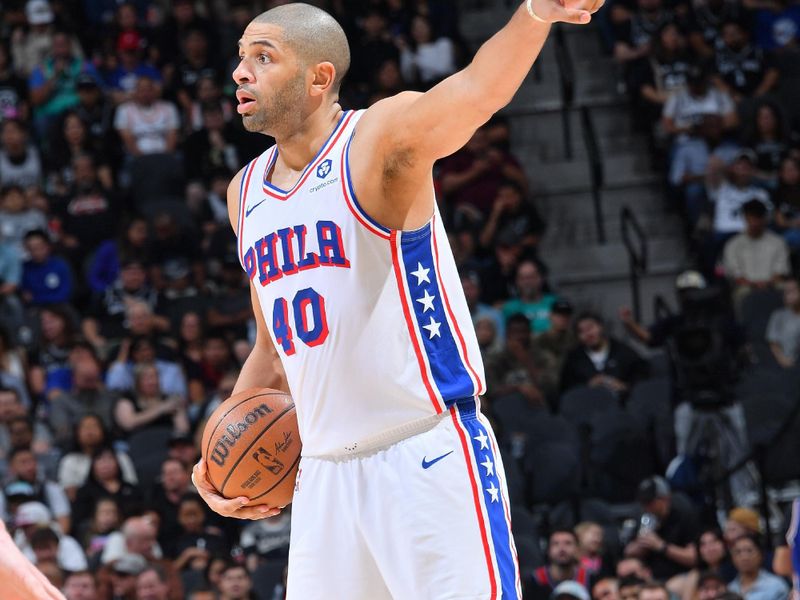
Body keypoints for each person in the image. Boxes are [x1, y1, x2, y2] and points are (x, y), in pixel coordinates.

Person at [191, 2, 603, 599]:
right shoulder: (244, 193)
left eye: (263, 57)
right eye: (240, 59)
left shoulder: (377, 140)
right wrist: (223, 451)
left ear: (318, 78)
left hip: (423, 456)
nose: (240, 73)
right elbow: (273, 352)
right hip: (324, 480)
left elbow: (476, 91)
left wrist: (537, 13)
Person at [624, 475, 700, 580]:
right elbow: (627, 551)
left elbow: (693, 558)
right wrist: (642, 544)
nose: (646, 507)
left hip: (680, 574)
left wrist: (661, 546)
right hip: (650, 575)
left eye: (650, 502)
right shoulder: (644, 514)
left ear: (664, 499)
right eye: (643, 502)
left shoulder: (683, 511)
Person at [560, 312, 649, 396]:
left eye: (590, 328)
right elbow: (566, 390)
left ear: (600, 327)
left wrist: (624, 386)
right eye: (581, 331)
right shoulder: (574, 359)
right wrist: (588, 386)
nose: (588, 334)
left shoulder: (622, 351)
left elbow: (643, 378)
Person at [722, 198, 789, 309]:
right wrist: (754, 285)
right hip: (746, 287)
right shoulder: (733, 244)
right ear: (745, 217)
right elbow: (735, 275)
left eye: (758, 218)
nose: (754, 222)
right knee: (741, 293)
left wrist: (766, 284)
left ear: (764, 218)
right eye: (751, 217)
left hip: (773, 286)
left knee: (788, 290)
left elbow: (781, 272)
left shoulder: (778, 242)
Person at [525, 529, 595, 600]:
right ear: (548, 550)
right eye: (556, 543)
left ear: (577, 549)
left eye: (568, 543)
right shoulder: (535, 581)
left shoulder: (590, 579)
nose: (562, 548)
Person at [729, 534, 790, 600]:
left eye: (749, 551)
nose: (744, 557)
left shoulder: (776, 586)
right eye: (738, 552)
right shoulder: (730, 588)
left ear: (760, 555)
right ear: (732, 557)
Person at [766, 279, 800, 369]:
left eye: (793, 290)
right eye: (786, 292)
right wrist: (781, 358)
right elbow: (773, 341)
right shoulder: (778, 315)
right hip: (787, 361)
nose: (789, 294)